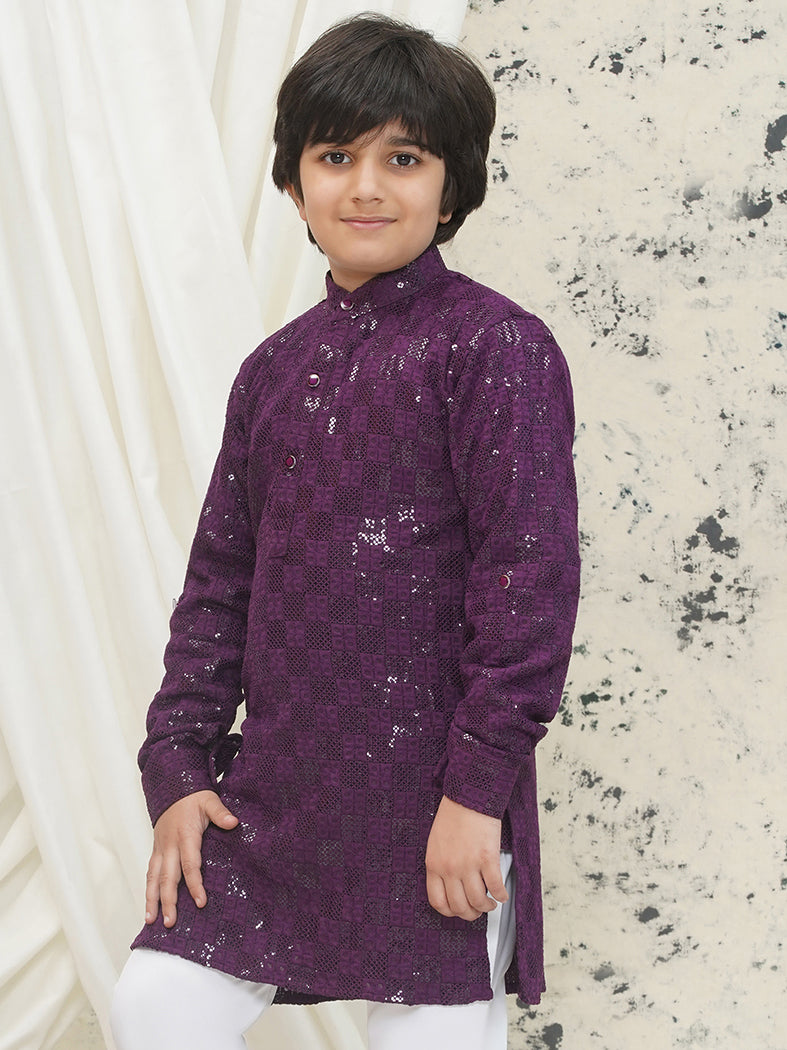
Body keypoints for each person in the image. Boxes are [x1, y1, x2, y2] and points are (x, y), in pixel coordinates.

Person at [111, 13, 580, 1050]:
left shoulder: (495, 349)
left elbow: (529, 589)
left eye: (402, 159)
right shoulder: (272, 371)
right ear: (294, 185)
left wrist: (475, 796)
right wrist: (178, 769)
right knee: (155, 1006)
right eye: (335, 157)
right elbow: (218, 586)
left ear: (451, 186)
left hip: (435, 806)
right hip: (270, 803)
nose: (366, 187)